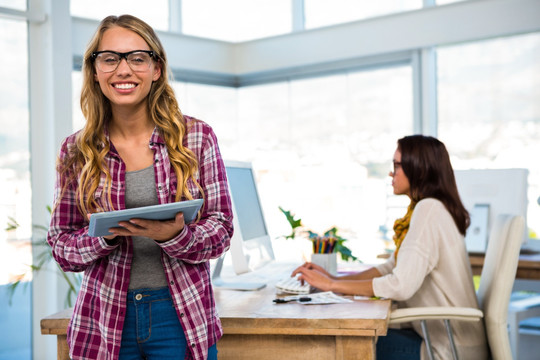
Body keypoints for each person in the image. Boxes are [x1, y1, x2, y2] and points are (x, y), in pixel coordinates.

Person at [46, 14, 233, 360]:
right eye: (110, 58)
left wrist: (175, 235)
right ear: (95, 70)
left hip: (180, 315)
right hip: (103, 319)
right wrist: (105, 235)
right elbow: (61, 245)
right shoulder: (76, 150)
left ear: (156, 68)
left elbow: (221, 230)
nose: (123, 70)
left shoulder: (196, 137)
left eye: (137, 57)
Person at [292, 135, 489, 360]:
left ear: (419, 169)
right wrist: (334, 281)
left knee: (333, 342)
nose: (391, 173)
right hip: (446, 339)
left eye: (397, 166)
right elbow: (391, 267)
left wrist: (332, 284)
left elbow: (400, 285)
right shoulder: (428, 208)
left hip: (447, 349)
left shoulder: (429, 210)